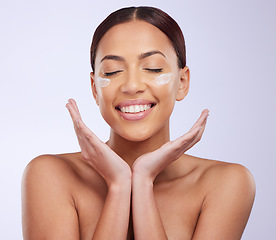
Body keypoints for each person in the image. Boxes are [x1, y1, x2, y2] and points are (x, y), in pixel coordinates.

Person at [21, 6, 255, 240]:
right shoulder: (50, 176)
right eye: (112, 72)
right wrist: (119, 185)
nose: (132, 85)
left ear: (182, 82)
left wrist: (143, 181)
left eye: (153, 68)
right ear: (94, 89)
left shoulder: (226, 183)